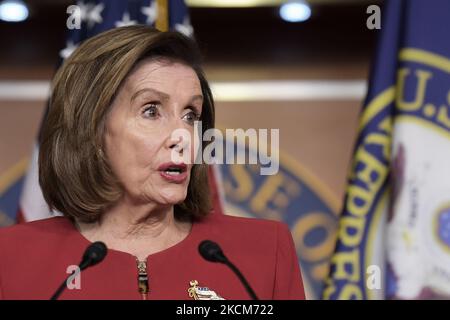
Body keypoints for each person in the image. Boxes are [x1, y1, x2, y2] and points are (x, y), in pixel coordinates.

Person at [0, 25, 305, 300]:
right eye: (151, 111)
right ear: (91, 129)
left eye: (190, 115)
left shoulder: (263, 251)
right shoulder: (11, 258)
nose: (182, 136)